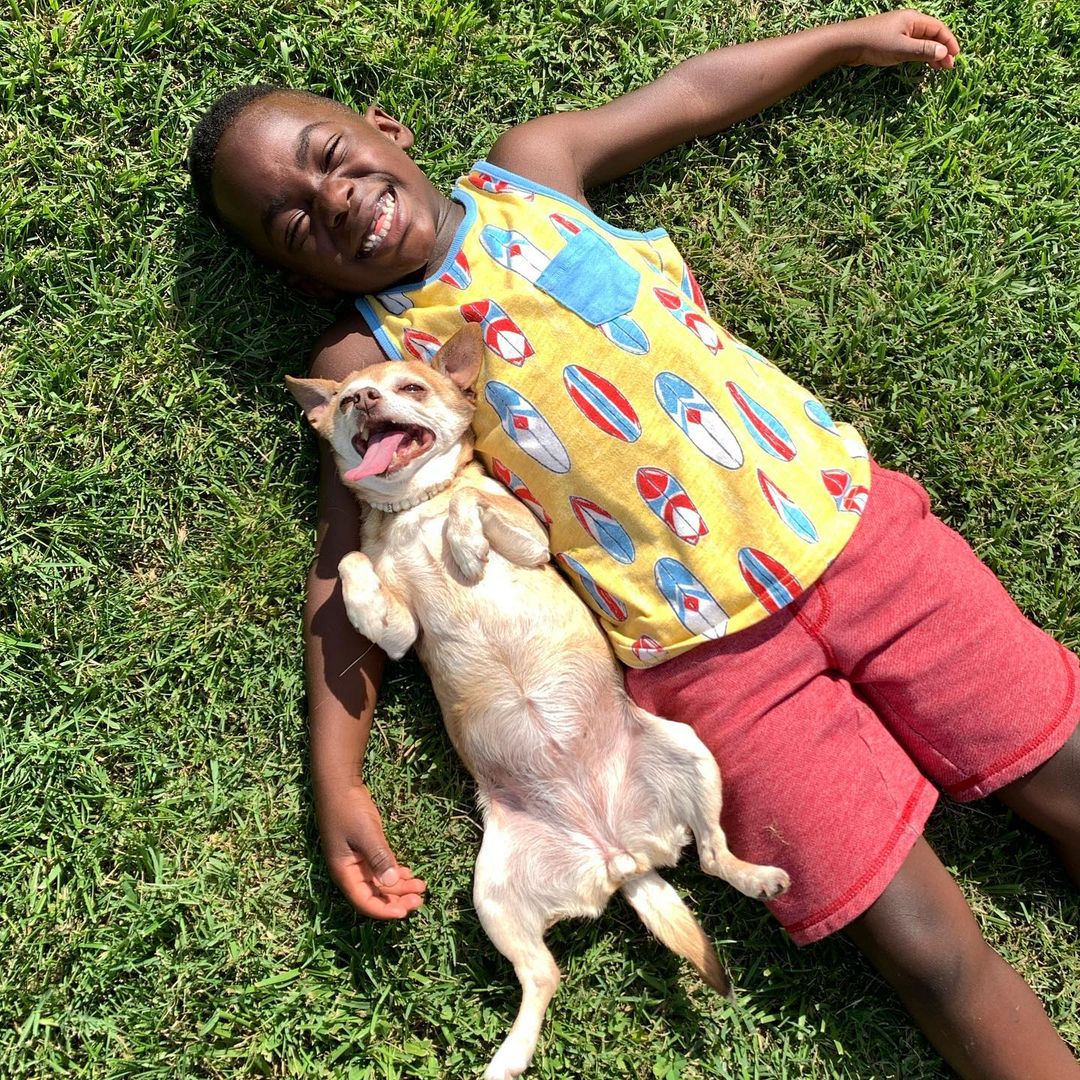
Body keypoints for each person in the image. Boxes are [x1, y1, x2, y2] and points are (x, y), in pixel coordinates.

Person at [189, 10, 1080, 1076]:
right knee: (928, 952)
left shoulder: (533, 169)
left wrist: (840, 41)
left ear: (386, 128)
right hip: (708, 674)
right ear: (297, 278)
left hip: (856, 538)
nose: (330, 200)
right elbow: (346, 577)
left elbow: (693, 94)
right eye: (292, 223)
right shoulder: (361, 360)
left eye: (332, 158)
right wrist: (337, 781)